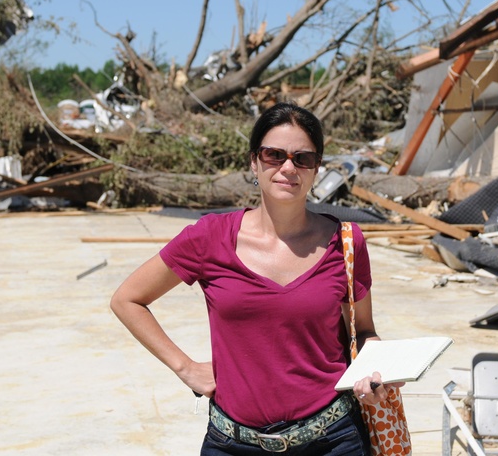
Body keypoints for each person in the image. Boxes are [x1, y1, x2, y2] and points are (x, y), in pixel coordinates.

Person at [111, 102, 393, 455]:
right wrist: (184, 367)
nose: (288, 168)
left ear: (316, 168)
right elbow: (127, 300)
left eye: (302, 158)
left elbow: (364, 330)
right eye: (274, 155)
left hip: (332, 441)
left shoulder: (347, 242)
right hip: (231, 444)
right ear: (254, 162)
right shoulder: (208, 237)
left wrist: (376, 370)